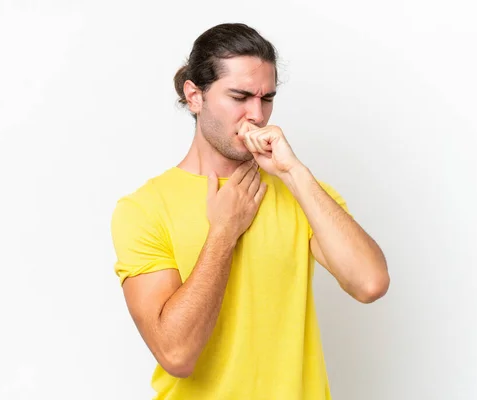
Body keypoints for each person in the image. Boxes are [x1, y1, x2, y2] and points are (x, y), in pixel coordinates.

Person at [110, 22, 390, 400]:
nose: (257, 115)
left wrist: (294, 172)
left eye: (267, 98)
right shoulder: (143, 209)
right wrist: (223, 232)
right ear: (195, 96)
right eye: (240, 96)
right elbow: (176, 354)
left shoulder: (303, 193)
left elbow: (370, 283)